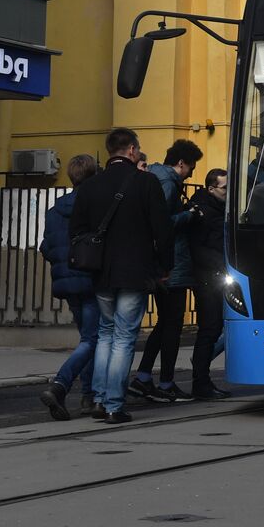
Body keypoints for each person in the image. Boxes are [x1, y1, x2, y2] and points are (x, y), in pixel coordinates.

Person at [72, 128, 171, 424]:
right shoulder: (146, 183)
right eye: (138, 149)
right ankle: (115, 404)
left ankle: (100, 400)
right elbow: (162, 230)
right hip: (134, 271)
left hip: (101, 272)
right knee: (125, 336)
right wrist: (165, 266)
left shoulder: (90, 186)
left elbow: (76, 229)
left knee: (105, 333)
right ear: (131, 150)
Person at [130, 140, 202, 403]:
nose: (192, 173)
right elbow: (162, 223)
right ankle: (165, 382)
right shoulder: (168, 183)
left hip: (164, 263)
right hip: (172, 264)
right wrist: (189, 214)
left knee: (165, 324)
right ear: (181, 163)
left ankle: (145, 377)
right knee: (172, 325)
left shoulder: (156, 177)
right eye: (191, 167)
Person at [38, 154, 100, 421]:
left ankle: (88, 394)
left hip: (66, 280)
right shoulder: (94, 205)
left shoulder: (55, 209)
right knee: (92, 338)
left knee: (88, 337)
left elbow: (46, 247)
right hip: (90, 277)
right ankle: (61, 385)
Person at [186, 168, 231, 399]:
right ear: (212, 189)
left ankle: (201, 379)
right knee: (210, 328)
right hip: (208, 278)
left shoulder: (217, 208)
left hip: (216, 275)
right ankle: (200, 381)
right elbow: (198, 248)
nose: (228, 191)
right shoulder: (203, 211)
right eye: (224, 188)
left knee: (217, 328)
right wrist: (222, 264)